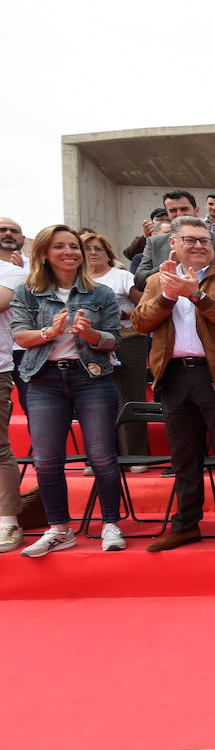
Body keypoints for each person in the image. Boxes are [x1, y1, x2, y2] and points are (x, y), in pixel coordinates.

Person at [131, 216, 215, 551]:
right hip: (173, 376)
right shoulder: (158, 281)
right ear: (172, 244)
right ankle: (186, 524)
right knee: (184, 457)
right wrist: (169, 297)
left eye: (205, 240)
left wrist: (198, 296)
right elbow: (140, 322)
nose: (199, 245)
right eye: (190, 240)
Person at [10, 225, 126, 555]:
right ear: (45, 253)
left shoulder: (100, 293)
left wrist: (90, 335)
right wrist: (50, 331)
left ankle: (110, 523)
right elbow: (20, 335)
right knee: (46, 461)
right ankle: (60, 528)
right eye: (60, 246)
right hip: (43, 380)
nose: (70, 252)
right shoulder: (27, 292)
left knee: (102, 456)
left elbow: (114, 339)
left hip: (91, 377)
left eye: (74, 246)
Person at [83, 232, 150, 467]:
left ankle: (136, 457)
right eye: (87, 249)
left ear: (108, 253)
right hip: (89, 345)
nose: (92, 253)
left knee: (130, 399)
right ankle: (100, 458)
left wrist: (118, 314)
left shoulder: (121, 276)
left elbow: (146, 305)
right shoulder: (76, 281)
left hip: (128, 340)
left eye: (98, 248)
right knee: (95, 401)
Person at [134, 191, 215, 289]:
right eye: (173, 210)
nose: (179, 214)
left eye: (184, 209)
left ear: (197, 211)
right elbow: (139, 281)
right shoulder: (155, 242)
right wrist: (169, 266)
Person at [0, 224, 25, 553]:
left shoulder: (12, 272)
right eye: (1, 228)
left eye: (13, 229)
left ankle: (8, 521)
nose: (7, 233)